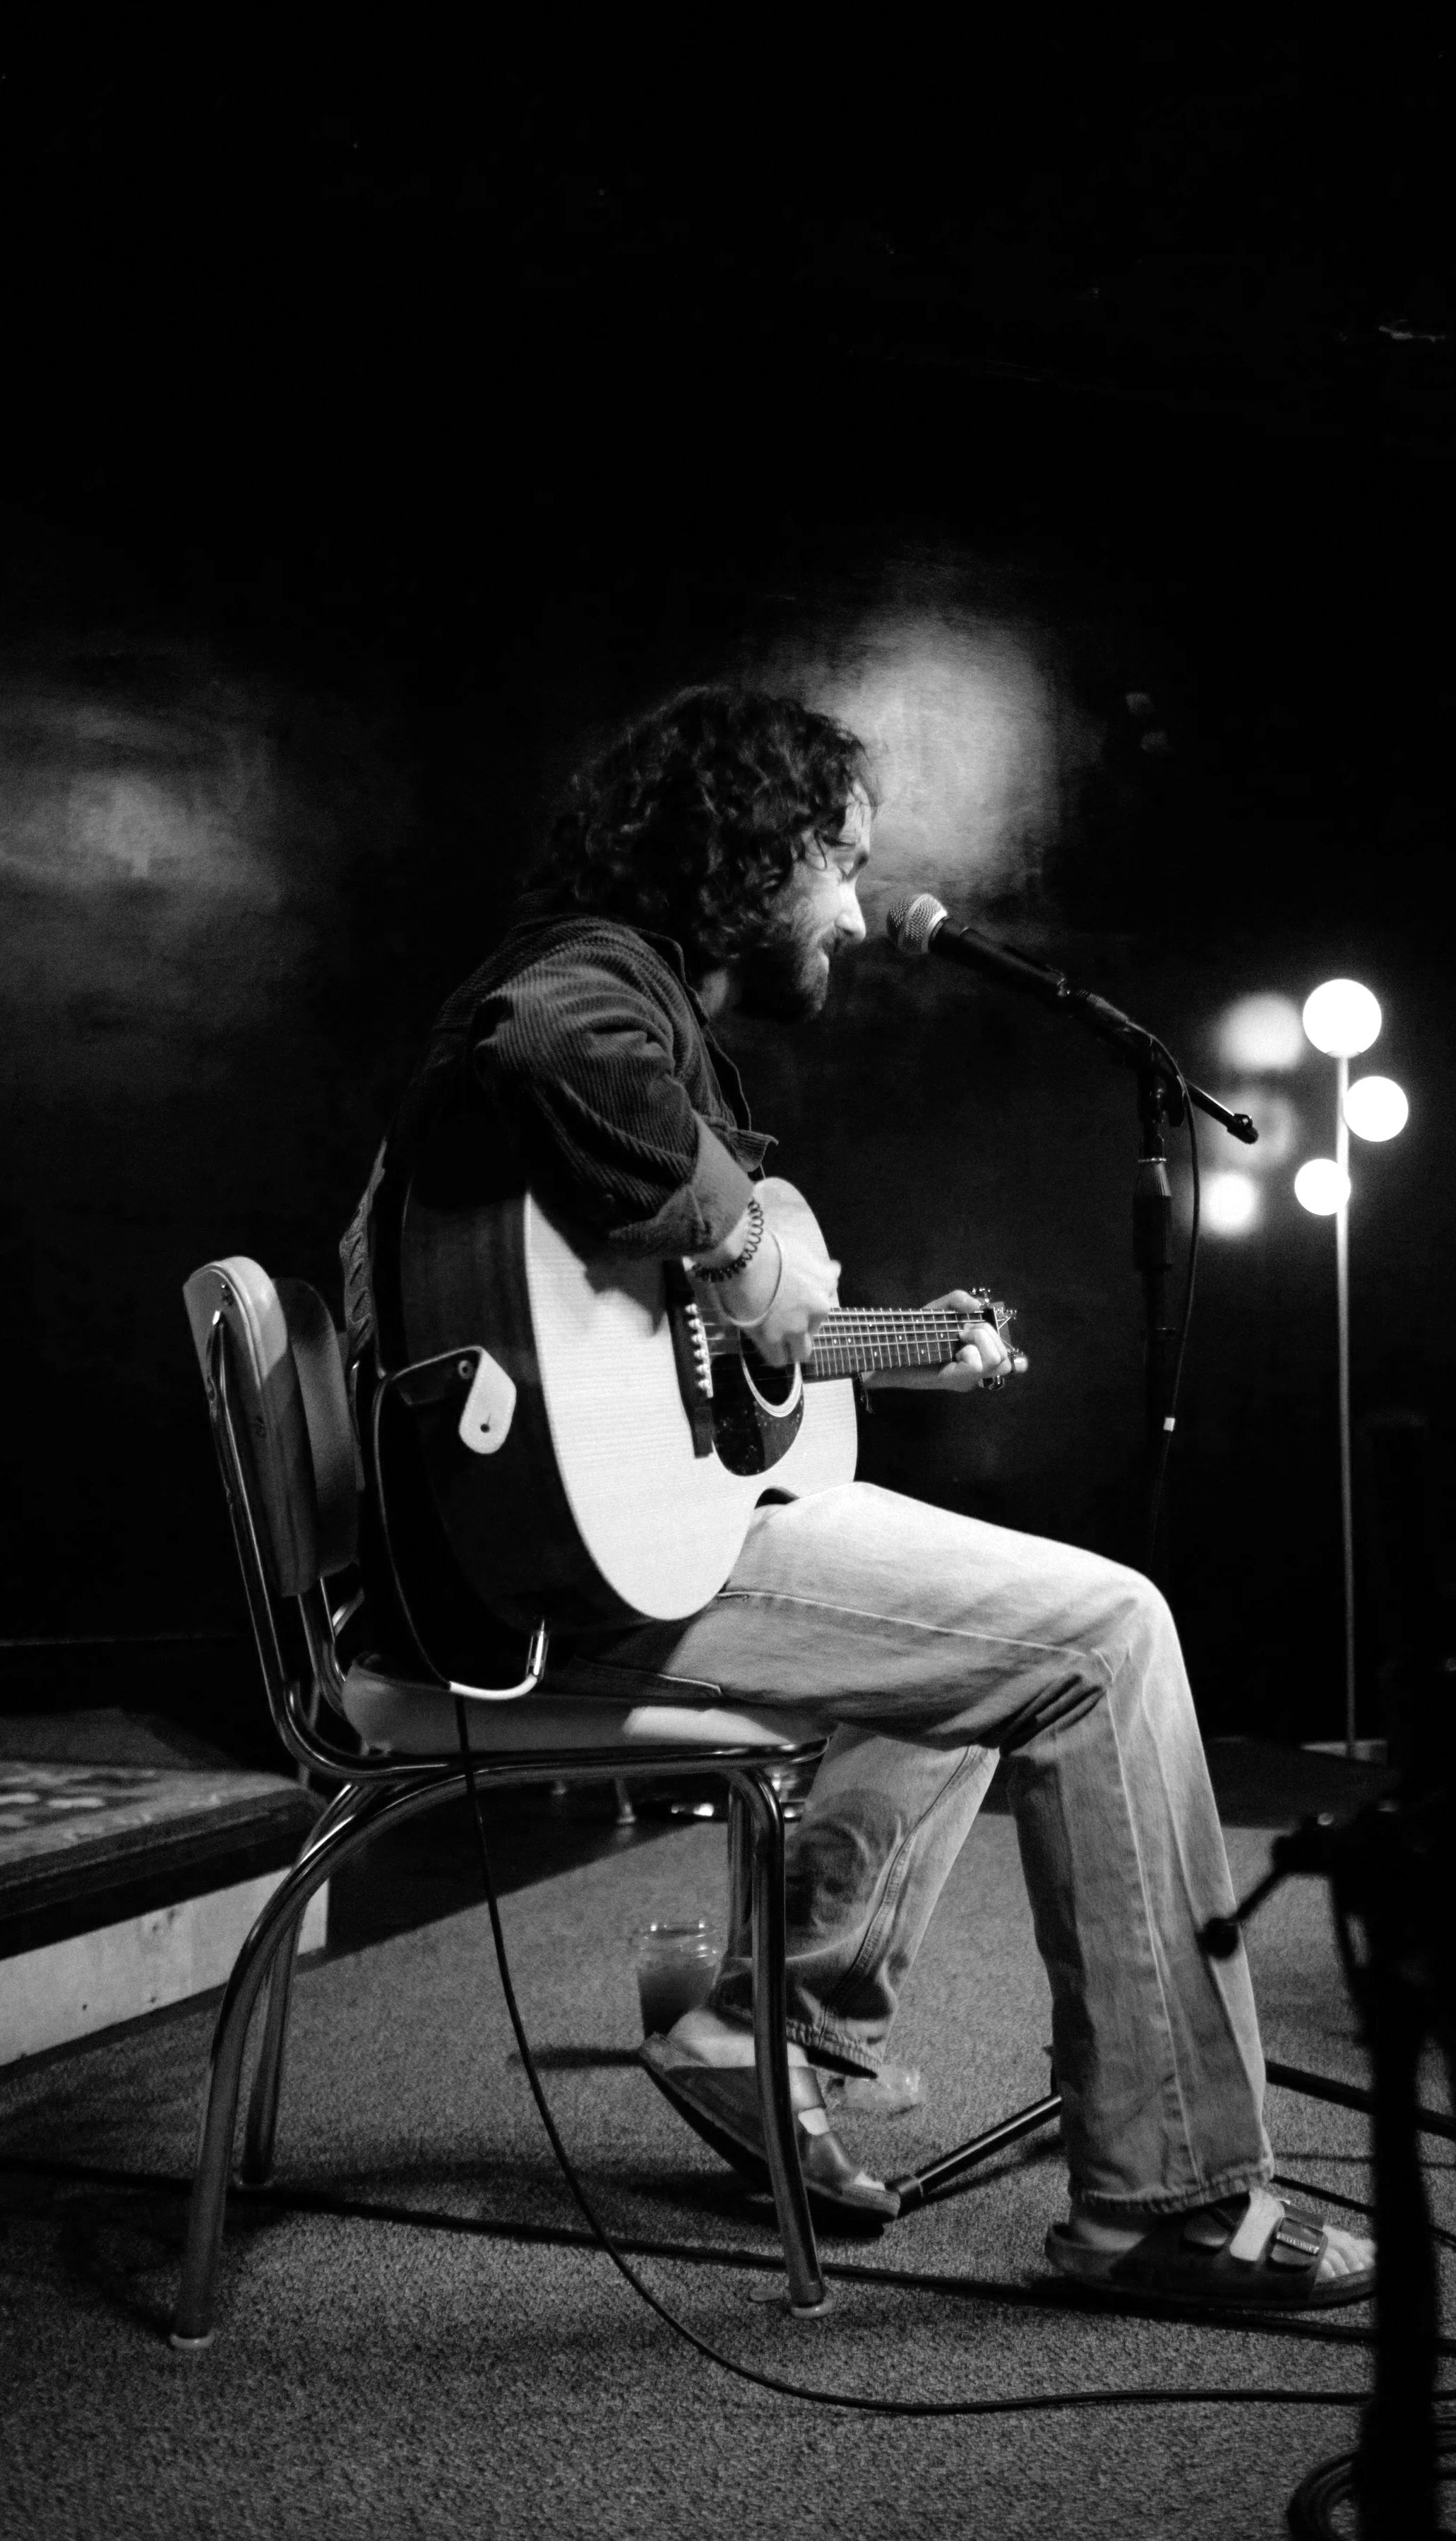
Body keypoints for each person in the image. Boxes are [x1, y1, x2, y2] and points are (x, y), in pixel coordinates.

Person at [342, 685, 1373, 2314]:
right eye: (845, 865)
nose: (856, 912)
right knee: (1107, 1634)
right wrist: (746, 1246)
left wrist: (840, 1333)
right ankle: (1167, 2199)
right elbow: (551, 1056)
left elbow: (693, 1352)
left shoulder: (654, 1008)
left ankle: (774, 2019)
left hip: (566, 1562)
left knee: (995, 1639)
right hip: (549, 1593)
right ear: (757, 857)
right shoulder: (591, 979)